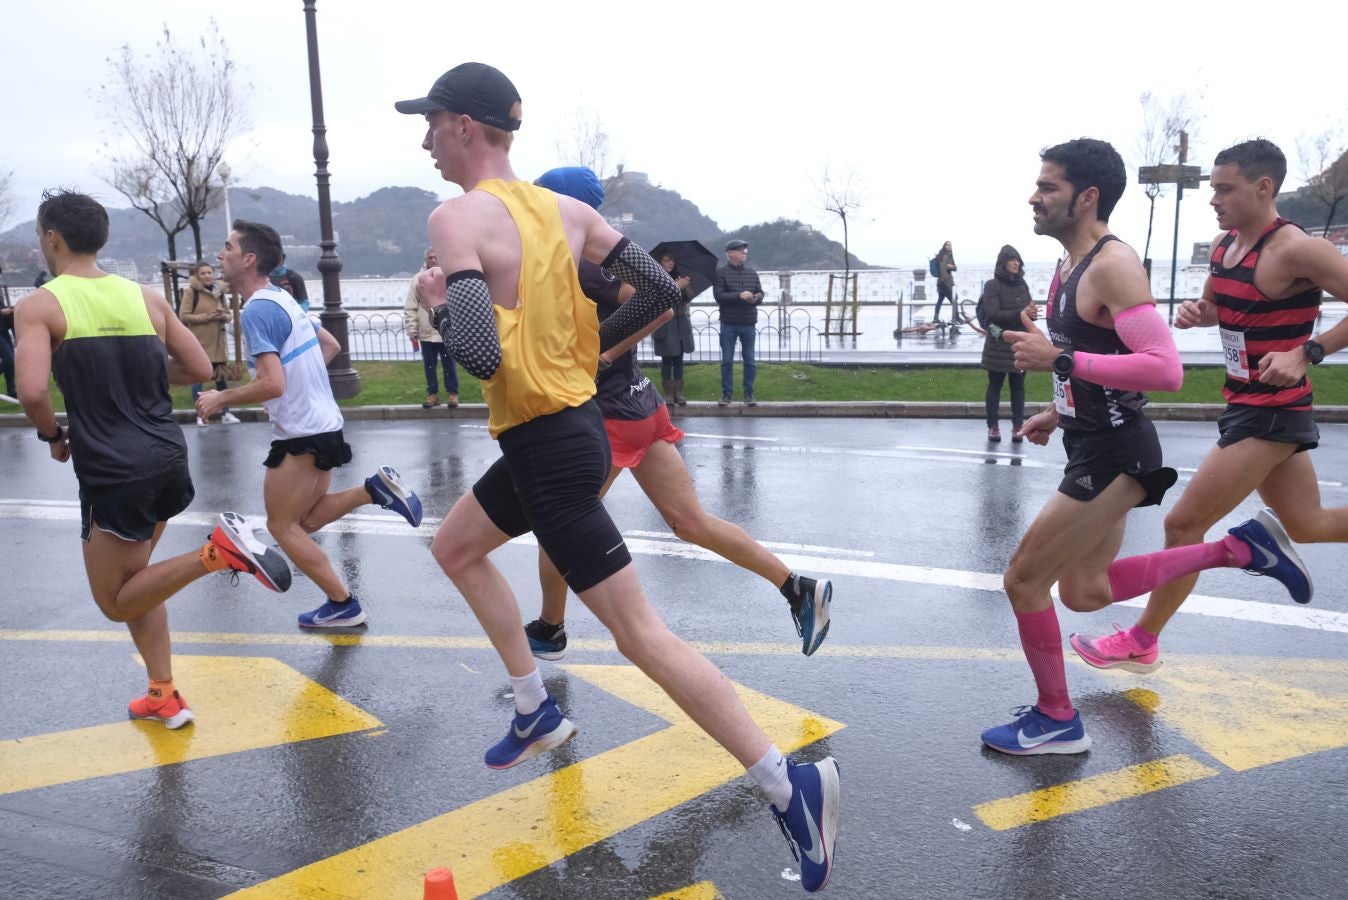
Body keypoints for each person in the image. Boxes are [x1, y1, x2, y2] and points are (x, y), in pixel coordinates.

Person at [397, 62, 838, 892]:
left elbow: (481, 354)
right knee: (456, 548)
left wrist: (435, 298)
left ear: (464, 124)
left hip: (552, 453)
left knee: (643, 636)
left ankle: (788, 784)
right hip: (568, 437)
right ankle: (534, 708)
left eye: (429, 123)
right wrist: (594, 350)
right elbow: (666, 289)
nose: (424, 140)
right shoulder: (569, 212)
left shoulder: (455, 218)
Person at [982, 139, 1308, 756]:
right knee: (1086, 592)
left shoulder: (1112, 264)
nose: (1034, 196)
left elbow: (1164, 370)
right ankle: (1237, 549)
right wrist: (1058, 408)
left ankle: (1057, 720)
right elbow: (1101, 363)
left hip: (1116, 453)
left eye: (1048, 187)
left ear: (1087, 197)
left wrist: (1059, 359)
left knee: (1024, 581)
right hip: (1092, 440)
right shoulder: (1065, 266)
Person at [523, 165, 833, 662]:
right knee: (691, 522)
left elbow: (659, 308)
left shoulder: (579, 263)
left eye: (537, 201)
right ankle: (797, 588)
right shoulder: (602, 255)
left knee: (560, 524)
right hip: (641, 402)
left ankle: (550, 628)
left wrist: (601, 356)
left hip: (607, 413)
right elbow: (662, 306)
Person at [14, 189, 292, 729]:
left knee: (116, 600)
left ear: (52, 238)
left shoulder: (41, 304)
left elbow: (30, 392)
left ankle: (217, 553)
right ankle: (162, 692)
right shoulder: (145, 297)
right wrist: (132, 372)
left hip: (113, 469)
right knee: (141, 580)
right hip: (166, 456)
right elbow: (195, 368)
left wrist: (53, 432)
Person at [1070, 138, 1348, 672]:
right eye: (1212, 189)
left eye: (1225, 189)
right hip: (1245, 400)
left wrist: (1307, 351)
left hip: (1272, 409)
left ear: (1263, 187)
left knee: (1182, 524)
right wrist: (1203, 313)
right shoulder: (1224, 246)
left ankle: (1141, 640)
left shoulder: (1295, 248)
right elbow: (1226, 306)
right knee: (1308, 523)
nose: (1213, 199)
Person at [199, 219, 425, 629]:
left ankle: (343, 603)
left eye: (228, 246)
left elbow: (271, 382)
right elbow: (330, 345)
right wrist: (297, 386)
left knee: (280, 526)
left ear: (248, 259)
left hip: (301, 433)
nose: (220, 254)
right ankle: (373, 491)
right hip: (323, 425)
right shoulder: (283, 299)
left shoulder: (257, 310)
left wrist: (221, 396)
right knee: (305, 521)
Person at [979, 245, 1035, 442]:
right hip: (999, 344)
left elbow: (1027, 313)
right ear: (1003, 263)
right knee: (995, 386)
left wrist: (1031, 315)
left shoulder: (1023, 284)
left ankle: (1017, 426)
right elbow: (993, 315)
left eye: (1018, 260)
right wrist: (1022, 313)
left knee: (1018, 387)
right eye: (1012, 260)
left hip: (1020, 343)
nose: (1016, 263)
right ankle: (993, 426)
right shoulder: (992, 285)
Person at [178, 261, 240, 426]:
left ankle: (226, 412)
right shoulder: (191, 292)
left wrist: (223, 316)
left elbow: (228, 315)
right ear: (197, 276)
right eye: (203, 273)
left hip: (218, 343)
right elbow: (183, 316)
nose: (207, 276)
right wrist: (207, 317)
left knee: (221, 380)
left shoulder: (219, 292)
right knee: (198, 380)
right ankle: (201, 415)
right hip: (200, 344)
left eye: (209, 273)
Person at [403, 246, 459, 409]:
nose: (433, 260)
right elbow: (411, 306)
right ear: (426, 260)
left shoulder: (448, 278)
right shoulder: (417, 280)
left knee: (449, 364)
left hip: (446, 330)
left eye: (436, 257)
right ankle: (432, 394)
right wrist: (412, 329)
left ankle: (452, 393)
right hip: (426, 332)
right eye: (430, 258)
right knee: (429, 366)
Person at [713, 239, 763, 407]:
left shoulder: (752, 273)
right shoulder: (721, 273)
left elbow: (760, 292)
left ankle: (749, 393)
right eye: (741, 250)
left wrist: (757, 298)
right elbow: (719, 296)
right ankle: (727, 395)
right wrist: (739, 295)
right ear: (730, 253)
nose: (744, 253)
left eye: (745, 251)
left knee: (750, 361)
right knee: (727, 361)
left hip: (749, 322)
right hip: (729, 324)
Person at [651, 251, 696, 406]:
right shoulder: (654, 277)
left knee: (678, 358)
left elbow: (689, 297)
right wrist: (675, 287)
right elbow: (657, 300)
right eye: (666, 260)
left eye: (671, 261)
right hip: (665, 322)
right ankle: (668, 392)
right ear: (660, 262)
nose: (669, 263)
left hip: (680, 322)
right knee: (667, 358)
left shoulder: (680, 277)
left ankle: (679, 391)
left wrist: (683, 286)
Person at [932, 241, 957, 324]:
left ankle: (936, 317)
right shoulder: (944, 255)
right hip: (945, 282)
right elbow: (943, 268)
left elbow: (955, 268)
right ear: (944, 246)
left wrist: (952, 266)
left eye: (950, 245)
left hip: (942, 282)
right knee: (954, 299)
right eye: (947, 245)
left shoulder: (949, 255)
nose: (949, 246)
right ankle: (956, 317)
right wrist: (948, 267)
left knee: (940, 300)